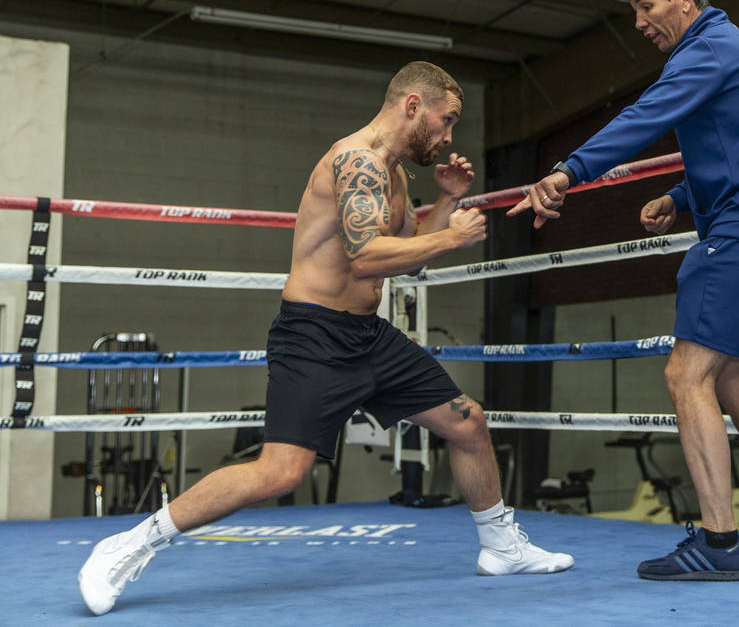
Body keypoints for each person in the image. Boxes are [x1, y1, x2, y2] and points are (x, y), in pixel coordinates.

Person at [78, 61, 573, 616]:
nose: (449, 135)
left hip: (367, 335)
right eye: (446, 119)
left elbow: (405, 258)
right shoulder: (356, 161)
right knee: (280, 472)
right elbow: (366, 257)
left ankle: (502, 548)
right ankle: (128, 544)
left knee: (466, 421)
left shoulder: (394, 174)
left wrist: (448, 204)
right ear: (413, 105)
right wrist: (453, 239)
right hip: (314, 334)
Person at [509, 0, 739, 581]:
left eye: (646, 7)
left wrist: (567, 171)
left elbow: (643, 117)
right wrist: (681, 196)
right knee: (730, 377)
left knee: (687, 376)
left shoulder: (703, 50)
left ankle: (720, 542)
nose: (640, 23)